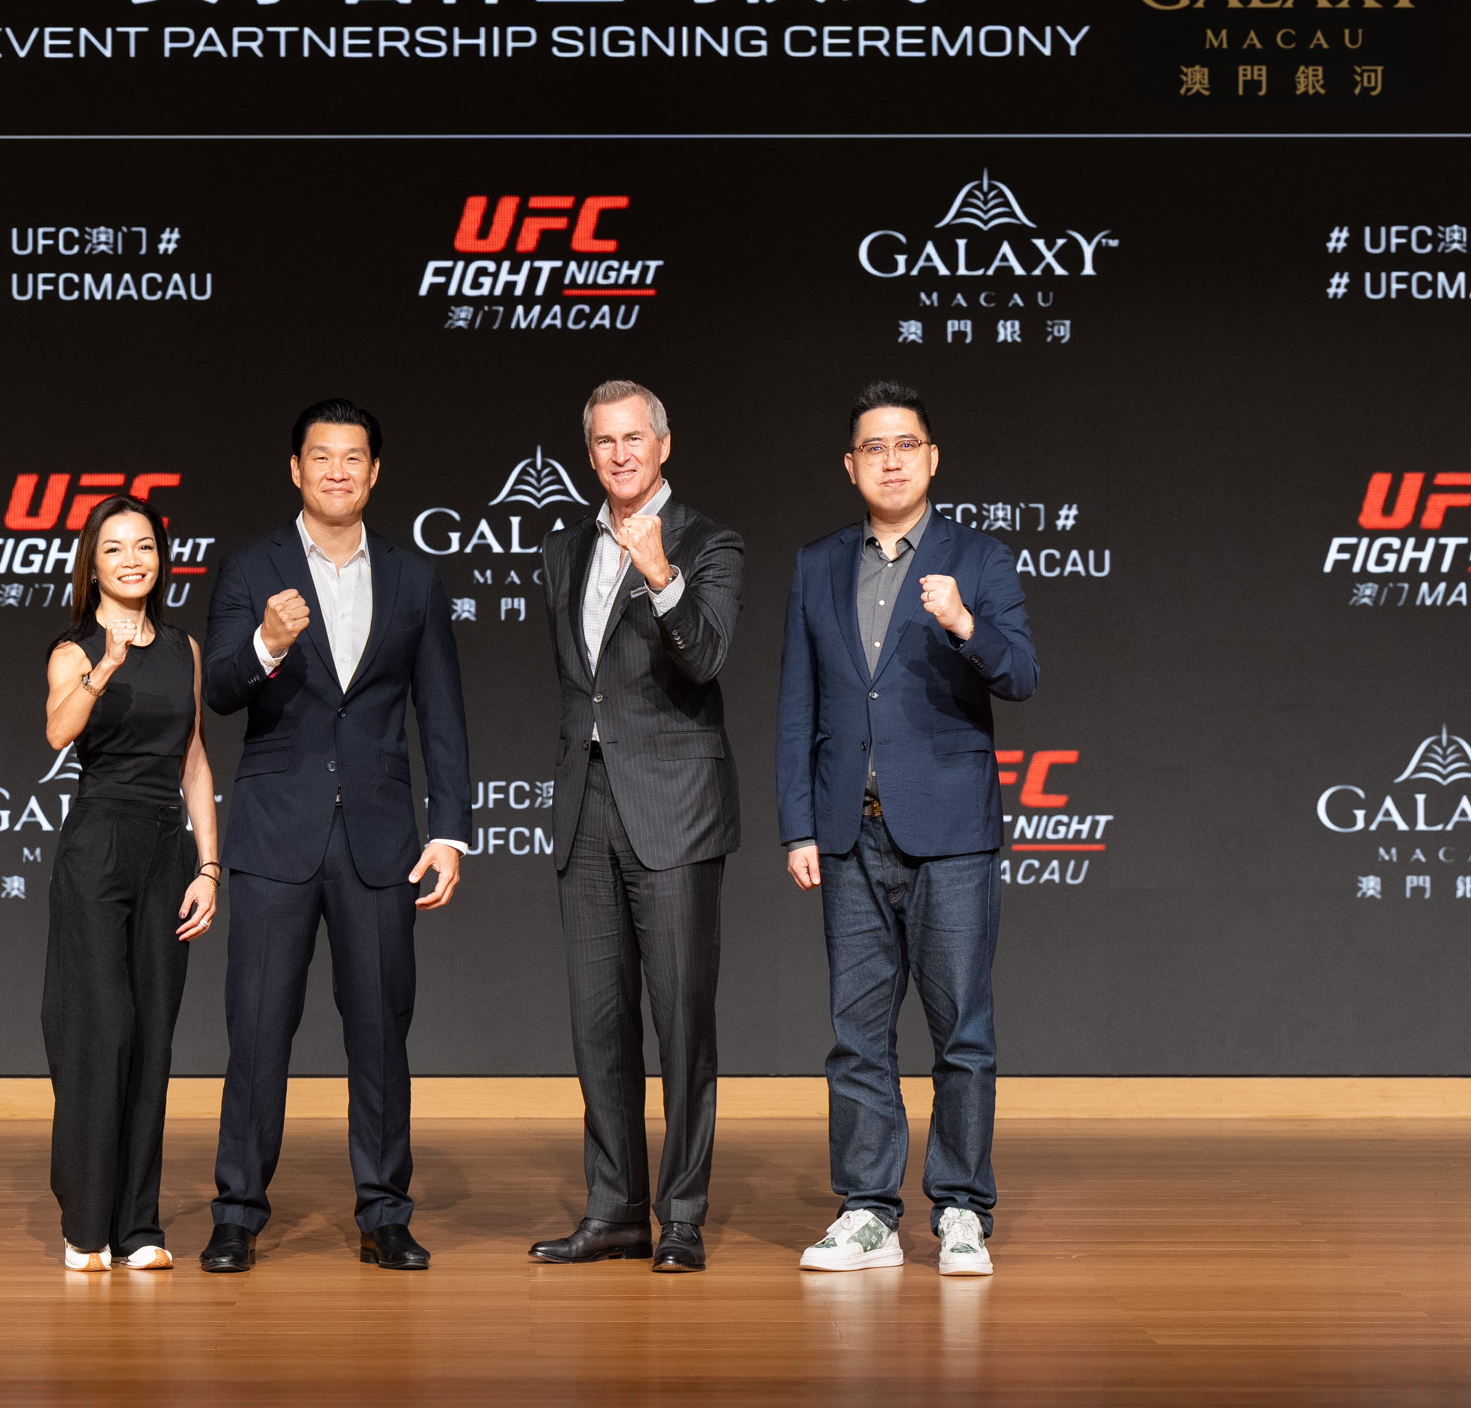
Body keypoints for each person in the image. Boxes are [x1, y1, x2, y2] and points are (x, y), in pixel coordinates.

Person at [198, 398, 475, 1272]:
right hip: (277, 834)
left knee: (381, 1031)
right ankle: (237, 1211)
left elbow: (443, 715)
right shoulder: (252, 569)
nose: (337, 471)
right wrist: (269, 643)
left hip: (383, 837)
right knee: (257, 1029)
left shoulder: (412, 575)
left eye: (354, 457)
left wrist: (453, 830)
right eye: (321, 457)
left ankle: (384, 1210)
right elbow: (220, 689)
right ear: (295, 469)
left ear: (375, 472)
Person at [774, 380, 1037, 1277]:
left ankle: (961, 1207)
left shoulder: (980, 556)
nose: (890, 459)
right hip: (850, 830)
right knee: (857, 1032)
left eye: (905, 444)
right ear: (851, 466)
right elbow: (796, 702)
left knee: (961, 1027)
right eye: (872, 447)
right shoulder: (816, 564)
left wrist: (965, 622)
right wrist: (799, 825)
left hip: (952, 831)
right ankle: (867, 1209)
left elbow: (1023, 674)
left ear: (932, 458)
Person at [526, 381, 745, 1275]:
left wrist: (660, 574)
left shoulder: (710, 542)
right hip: (586, 810)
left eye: (634, 438)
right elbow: (586, 686)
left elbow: (708, 656)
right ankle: (615, 1208)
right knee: (598, 1023)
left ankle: (682, 1215)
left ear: (664, 444)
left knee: (682, 1021)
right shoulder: (561, 547)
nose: (619, 453)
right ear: (591, 454)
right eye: (603, 441)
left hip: (676, 811)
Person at [39, 494, 221, 1273]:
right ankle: (86, 1223)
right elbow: (57, 730)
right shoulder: (73, 650)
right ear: (94, 563)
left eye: (142, 545)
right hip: (99, 846)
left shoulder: (183, 647)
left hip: (164, 851)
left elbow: (195, 760)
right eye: (114, 549)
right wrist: (103, 669)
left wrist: (210, 866)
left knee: (152, 1039)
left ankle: (139, 1224)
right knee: (102, 1029)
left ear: (159, 557)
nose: (131, 559)